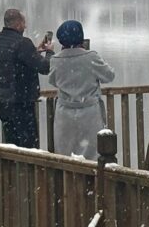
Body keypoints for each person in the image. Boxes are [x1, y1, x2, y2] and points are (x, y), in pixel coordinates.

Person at [48, 20, 115, 159]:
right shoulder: (90, 57)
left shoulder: (56, 59)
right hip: (89, 113)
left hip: (64, 114)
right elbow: (109, 76)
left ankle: (67, 179)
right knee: (92, 155)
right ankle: (92, 179)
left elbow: (52, 80)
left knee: (65, 154)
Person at [0, 8, 53, 147]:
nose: (25, 26)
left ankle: (12, 168)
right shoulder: (23, 43)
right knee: (29, 148)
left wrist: (35, 51)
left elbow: (13, 60)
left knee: (11, 147)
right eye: (24, 23)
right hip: (21, 104)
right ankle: (28, 169)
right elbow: (45, 67)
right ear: (18, 24)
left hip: (4, 103)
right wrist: (49, 52)